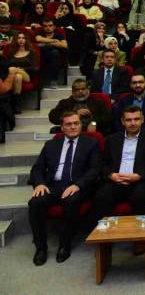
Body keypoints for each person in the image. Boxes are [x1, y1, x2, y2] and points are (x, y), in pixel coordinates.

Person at [28, 111, 101, 266]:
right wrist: (40, 183)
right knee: (35, 202)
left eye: (76, 123)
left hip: (77, 186)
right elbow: (38, 168)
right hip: (53, 186)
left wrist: (78, 185)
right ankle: (41, 247)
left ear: (81, 125)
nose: (73, 127)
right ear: (62, 127)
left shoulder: (91, 143)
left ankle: (64, 244)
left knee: (71, 201)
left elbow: (94, 169)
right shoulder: (51, 144)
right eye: (69, 124)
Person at [92, 106, 145, 238]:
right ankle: (105, 238)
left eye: (136, 119)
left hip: (139, 180)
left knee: (141, 197)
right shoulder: (112, 139)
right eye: (129, 120)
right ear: (123, 121)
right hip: (116, 180)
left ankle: (140, 238)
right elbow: (103, 163)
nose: (133, 123)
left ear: (142, 120)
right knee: (101, 197)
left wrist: (139, 175)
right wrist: (111, 175)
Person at [35, 19, 67, 88]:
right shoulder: (40, 34)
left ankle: (54, 80)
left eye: (50, 25)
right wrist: (54, 41)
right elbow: (38, 39)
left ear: (54, 27)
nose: (48, 27)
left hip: (56, 57)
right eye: (45, 26)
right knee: (54, 52)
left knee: (55, 53)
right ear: (43, 27)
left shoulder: (59, 35)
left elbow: (64, 45)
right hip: (42, 56)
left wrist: (46, 44)